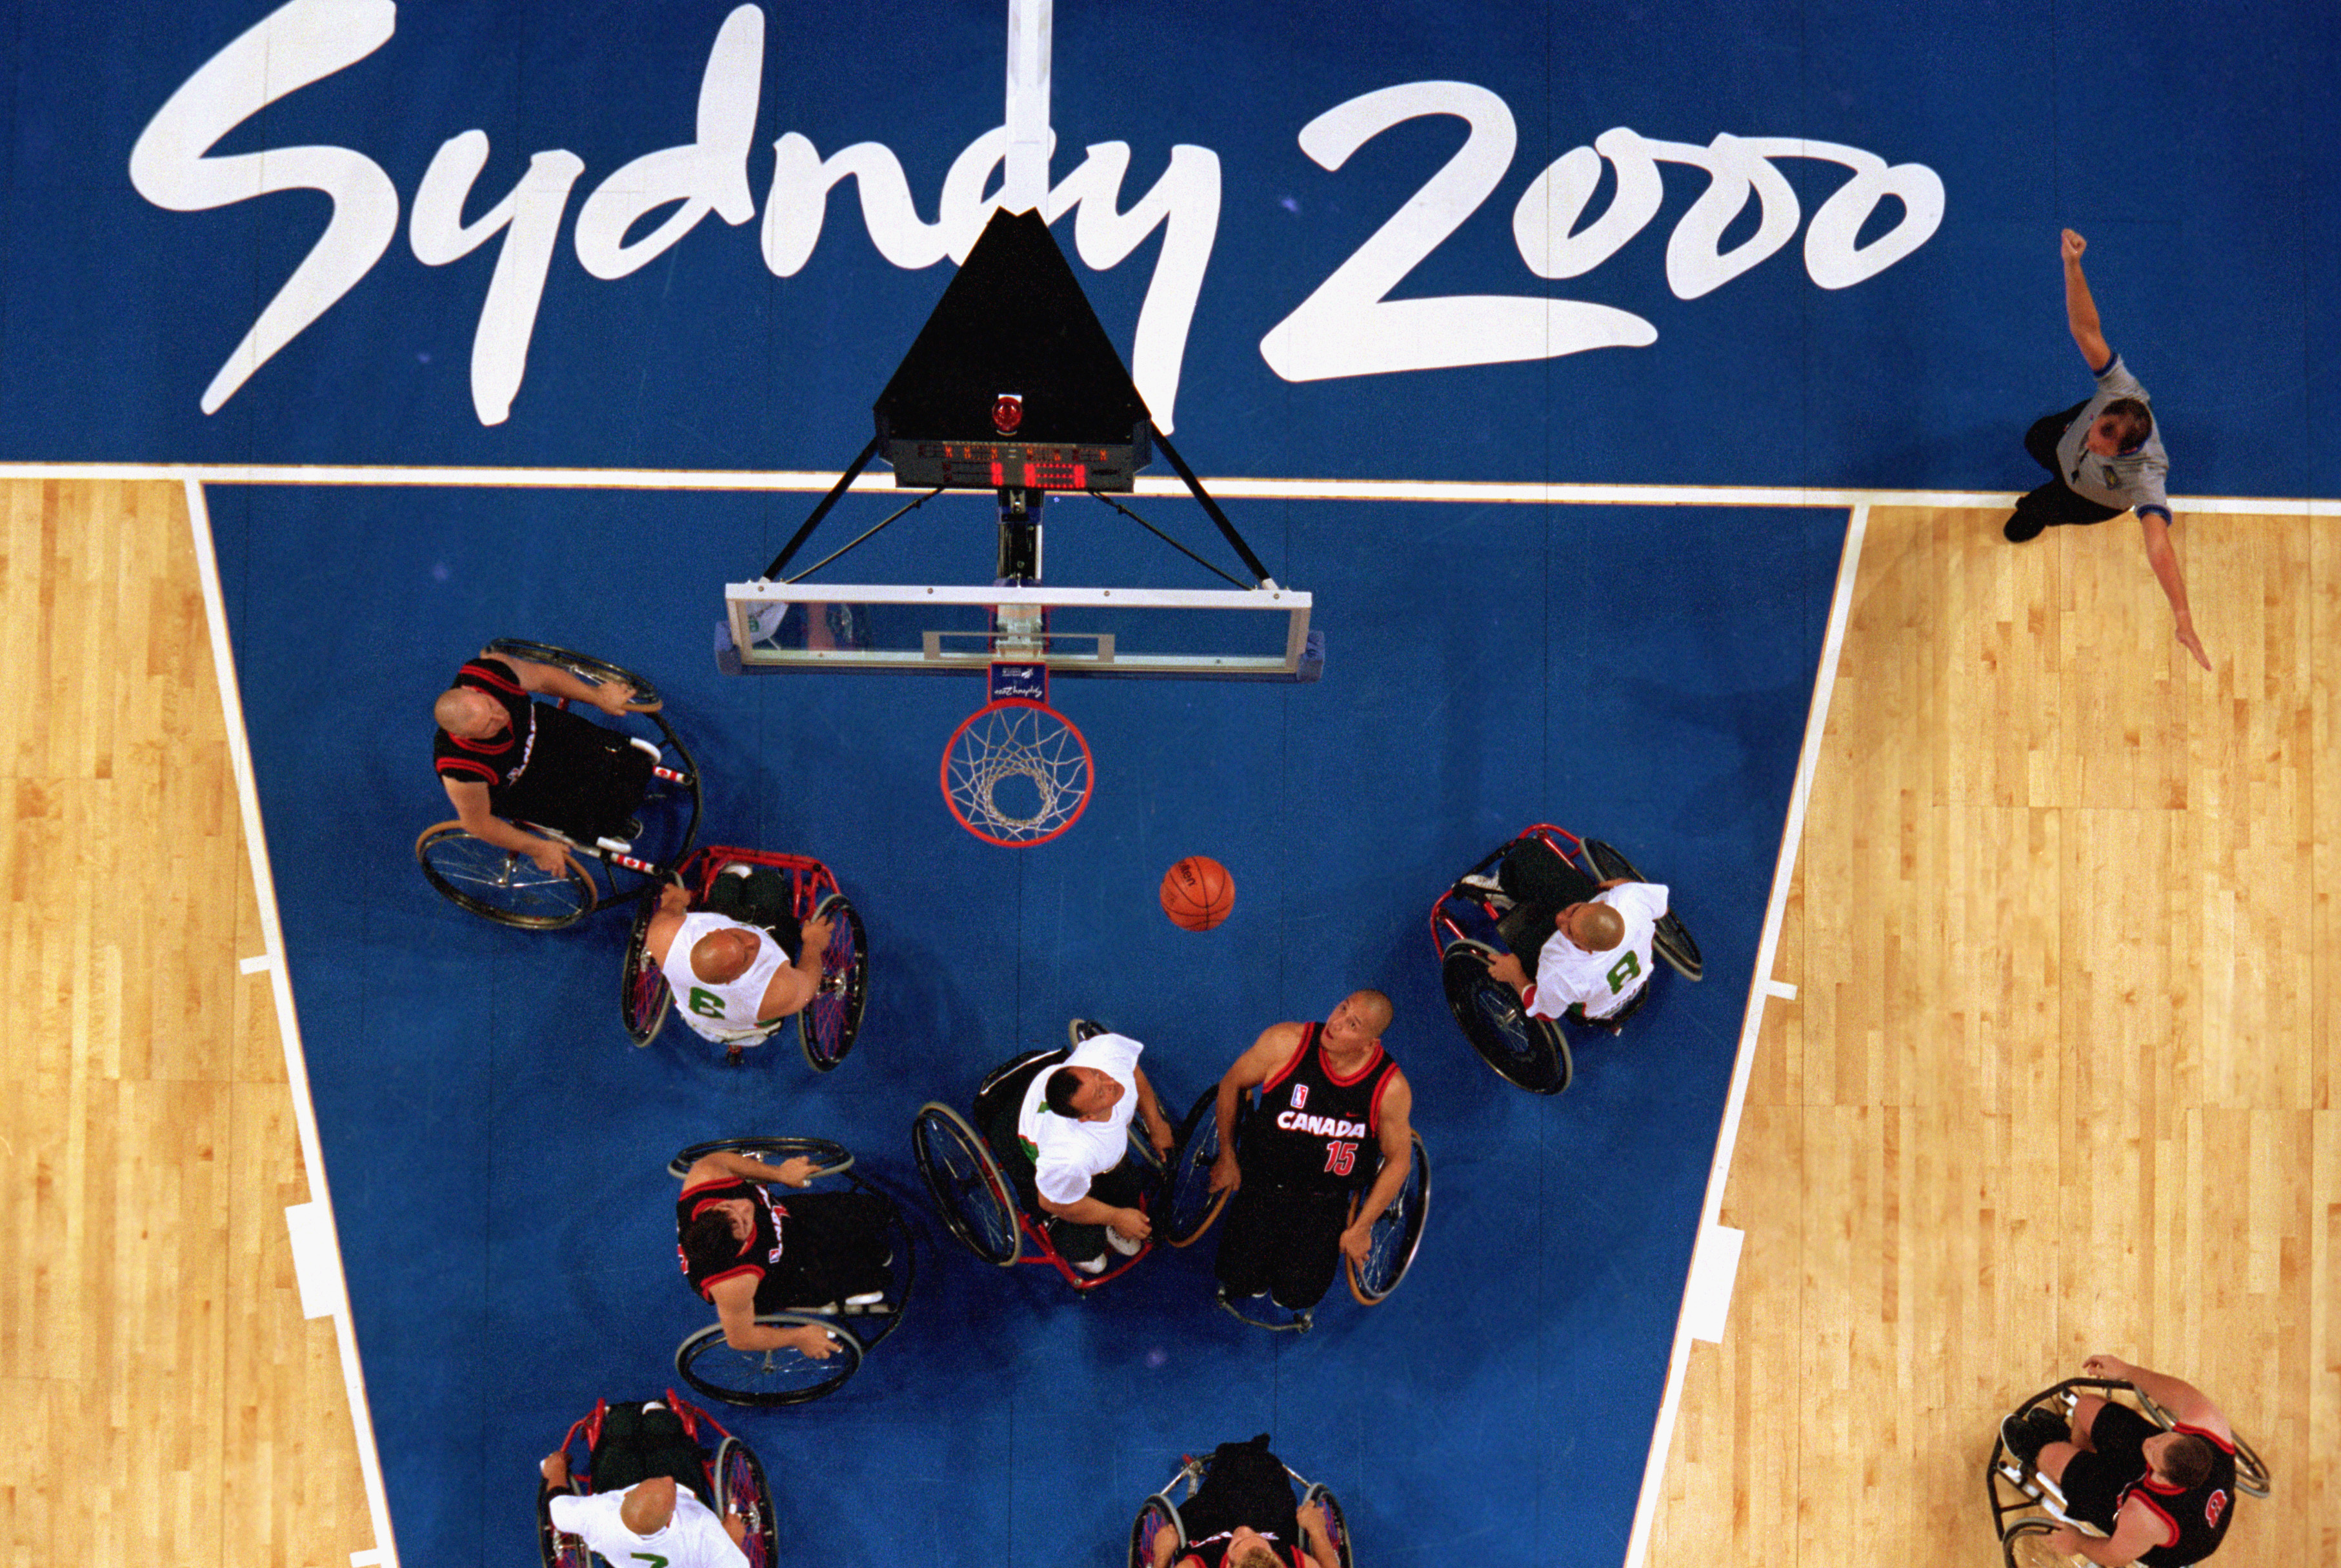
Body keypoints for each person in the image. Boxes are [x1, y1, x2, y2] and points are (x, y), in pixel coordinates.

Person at [2002, 230, 2209, 672]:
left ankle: (2035, 511)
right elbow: (2084, 327)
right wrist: (2072, 265)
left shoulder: (2147, 474)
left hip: (2090, 499)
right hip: (2060, 443)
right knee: (2035, 437)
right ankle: (2056, 458)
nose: (2094, 440)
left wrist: (2183, 616)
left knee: (2041, 506)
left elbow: (2159, 548)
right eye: (2099, 426)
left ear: (2125, 452)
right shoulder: (2119, 390)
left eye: (2102, 444)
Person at [1206, 990, 1414, 1314]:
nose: (1337, 1022)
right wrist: (1228, 1155)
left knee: (1296, 1296)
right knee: (1238, 1280)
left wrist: (1362, 1226)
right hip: (1263, 1182)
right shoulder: (1285, 1043)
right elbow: (1232, 1083)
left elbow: (1399, 1159)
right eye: (1342, 1008)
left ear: (1369, 1044)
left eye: (1353, 1024)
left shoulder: (1390, 1088)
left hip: (1323, 1201)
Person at [431, 648, 658, 876]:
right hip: (521, 783)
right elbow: (478, 824)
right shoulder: (460, 769)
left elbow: (542, 678)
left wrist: (596, 695)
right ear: (465, 738)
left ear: (472, 690)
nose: (501, 718)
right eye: (487, 726)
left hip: (540, 729)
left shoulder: (489, 675)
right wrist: (537, 848)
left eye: (491, 707)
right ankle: (609, 823)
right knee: (599, 815)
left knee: (626, 760)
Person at [2000, 1353, 2240, 1567]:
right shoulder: (2209, 1424)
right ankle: (2074, 1453)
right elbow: (2180, 1394)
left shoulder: (2145, 1518)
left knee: (2052, 1457)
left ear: (2164, 1477)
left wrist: (2078, 1542)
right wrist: (2127, 1371)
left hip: (2159, 1535)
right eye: (2163, 1438)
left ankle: (2039, 1456)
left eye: (2154, 1454)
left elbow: (2114, 1556)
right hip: (2169, 1490)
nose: (2150, 1444)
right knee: (2087, 1406)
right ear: (2186, 1437)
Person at [674, 1147, 892, 1360]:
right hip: (777, 1274)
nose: (745, 1207)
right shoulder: (735, 1283)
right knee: (876, 1274)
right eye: (744, 1223)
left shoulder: (706, 1177)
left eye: (730, 1208)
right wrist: (797, 1336)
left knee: (877, 1211)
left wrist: (780, 1174)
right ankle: (823, 1297)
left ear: (712, 1210)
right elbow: (740, 1338)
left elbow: (723, 1161)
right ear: (740, 1250)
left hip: (784, 1219)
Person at [994, 1022, 1175, 1274]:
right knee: (1085, 1245)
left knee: (1131, 1186)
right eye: (1101, 1093)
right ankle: (1081, 1246)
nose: (1111, 1081)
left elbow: (1130, 1068)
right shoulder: (1069, 1155)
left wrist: (1155, 1123)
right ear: (1087, 1118)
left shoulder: (1103, 1055)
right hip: (1036, 1140)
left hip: (1076, 1130)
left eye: (1096, 1074)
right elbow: (1049, 1202)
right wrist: (1116, 1217)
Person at [1472, 836, 1669, 1023]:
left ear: (1587, 950)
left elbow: (1543, 1012)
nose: (1560, 918)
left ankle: (1503, 890)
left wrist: (1516, 975)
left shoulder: (1561, 971)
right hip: (1630, 975)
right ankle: (1573, 915)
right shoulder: (1629, 898)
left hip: (1589, 1008)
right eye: (1575, 909)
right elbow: (1664, 908)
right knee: (1532, 857)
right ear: (1608, 905)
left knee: (1521, 945)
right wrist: (1626, 885)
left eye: (1569, 932)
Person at [644, 872, 834, 1051]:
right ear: (731, 980)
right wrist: (813, 944)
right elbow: (809, 983)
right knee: (767, 883)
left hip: (701, 1024)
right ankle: (761, 879)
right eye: (746, 957)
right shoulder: (777, 989)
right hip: (752, 1030)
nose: (752, 941)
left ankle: (734, 875)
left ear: (714, 932)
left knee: (725, 884)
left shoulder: (665, 938)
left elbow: (664, 915)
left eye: (737, 937)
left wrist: (676, 901)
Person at [539, 1407, 749, 1568]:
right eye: (672, 1490)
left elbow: (557, 1504)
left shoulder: (598, 1516)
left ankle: (622, 1415)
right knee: (662, 1427)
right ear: (669, 1520)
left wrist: (555, 1469)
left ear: (628, 1494)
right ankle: (655, 1410)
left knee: (621, 1427)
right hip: (687, 1489)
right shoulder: (702, 1529)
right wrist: (731, 1541)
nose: (667, 1478)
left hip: (618, 1486)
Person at [1147, 1435, 1341, 1568]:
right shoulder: (1291, 1563)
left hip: (1210, 1530)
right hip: (1270, 1522)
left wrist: (1162, 1557)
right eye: (1260, 1542)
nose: (1245, 1529)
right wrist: (1317, 1531)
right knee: (1264, 1475)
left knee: (1222, 1482)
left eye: (1238, 1543)